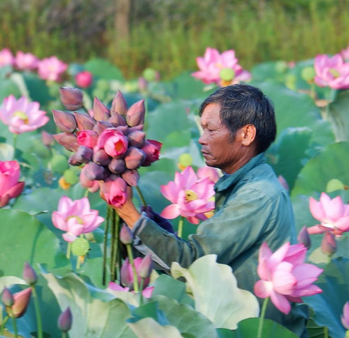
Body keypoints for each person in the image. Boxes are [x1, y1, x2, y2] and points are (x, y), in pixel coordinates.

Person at [108, 84, 308, 336]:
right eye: (202, 129)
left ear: (246, 134)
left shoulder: (257, 194)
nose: (201, 139)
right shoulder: (249, 184)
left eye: (211, 129)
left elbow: (193, 263)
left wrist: (127, 212)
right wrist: (153, 226)